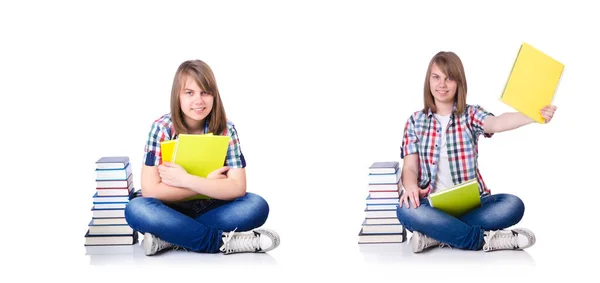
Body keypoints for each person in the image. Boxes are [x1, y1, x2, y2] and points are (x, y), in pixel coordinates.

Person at [396, 51, 556, 253]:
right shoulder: (415, 121)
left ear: (459, 83)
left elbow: (497, 123)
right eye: (436, 77)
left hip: (473, 205)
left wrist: (533, 115)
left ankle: (435, 235)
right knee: (405, 210)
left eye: (449, 78)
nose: (442, 84)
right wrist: (410, 187)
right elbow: (410, 167)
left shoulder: (470, 114)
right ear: (428, 81)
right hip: (432, 207)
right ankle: (481, 240)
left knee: (512, 205)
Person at [125, 60, 280, 256]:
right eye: (189, 93)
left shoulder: (226, 130)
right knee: (136, 208)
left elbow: (238, 187)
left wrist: (186, 180)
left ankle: (169, 238)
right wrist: (207, 183)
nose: (198, 100)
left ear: (214, 95)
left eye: (205, 92)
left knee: (256, 206)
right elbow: (150, 190)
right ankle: (220, 242)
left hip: (210, 208)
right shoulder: (161, 128)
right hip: (167, 210)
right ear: (177, 96)